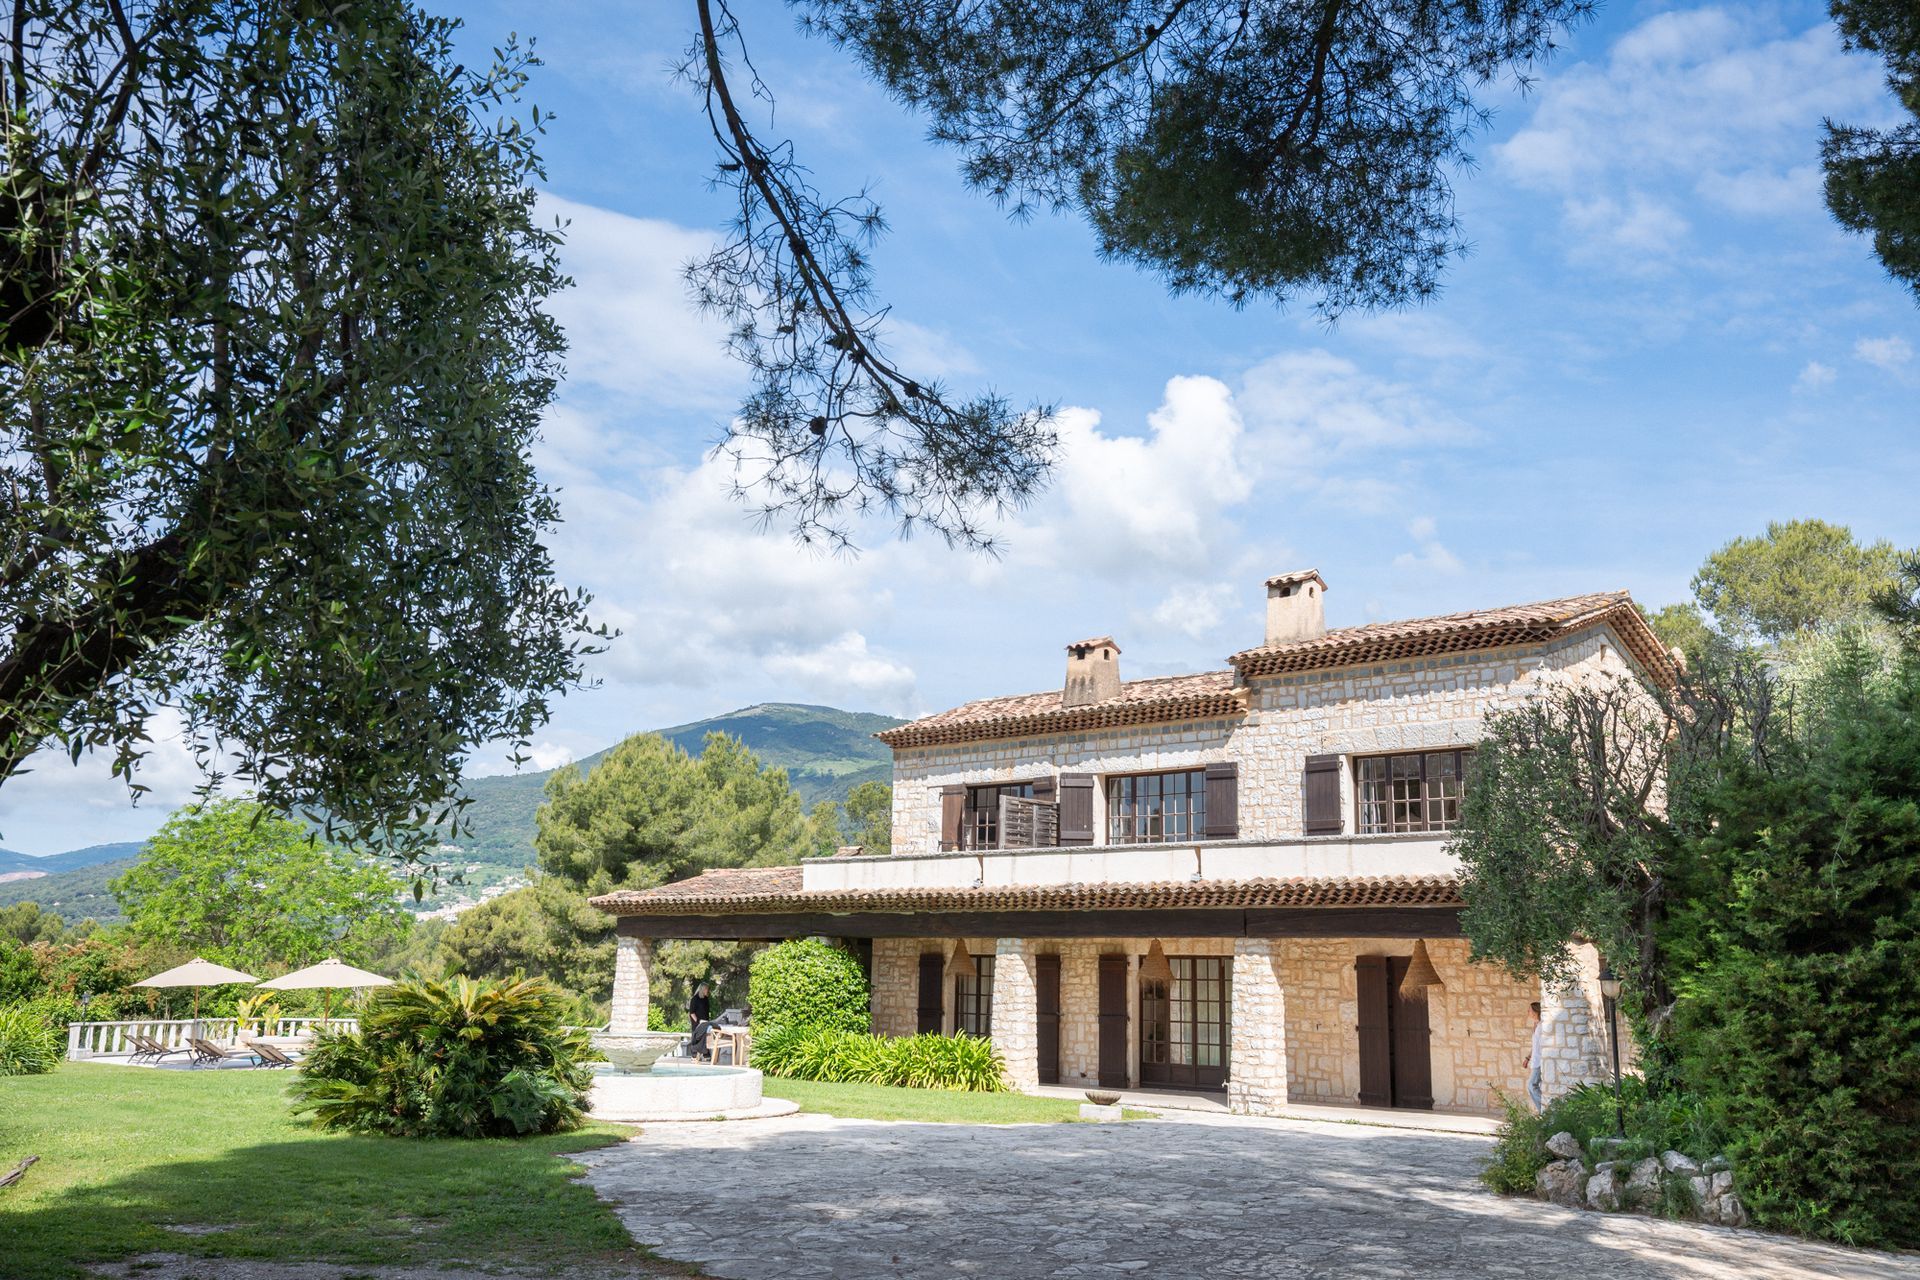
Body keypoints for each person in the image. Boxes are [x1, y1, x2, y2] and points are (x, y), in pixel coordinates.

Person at [1525, 1001, 1545, 1112]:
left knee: (1532, 1086)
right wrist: (1528, 1057)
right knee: (1533, 1086)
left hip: (1539, 1062)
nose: (1528, 1012)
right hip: (1535, 1061)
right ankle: (1543, 1110)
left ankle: (1544, 1111)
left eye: (1530, 1010)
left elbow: (1542, 1044)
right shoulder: (1536, 1025)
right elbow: (1535, 1045)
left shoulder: (1542, 1026)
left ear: (1535, 1011)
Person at [688, 982, 713, 1060]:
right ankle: (694, 1055)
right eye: (706, 989)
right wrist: (698, 1022)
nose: (707, 991)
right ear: (702, 989)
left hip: (705, 1022)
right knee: (696, 1038)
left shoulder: (706, 999)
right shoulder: (694, 999)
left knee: (705, 1038)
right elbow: (692, 1013)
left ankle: (706, 1054)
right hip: (697, 1023)